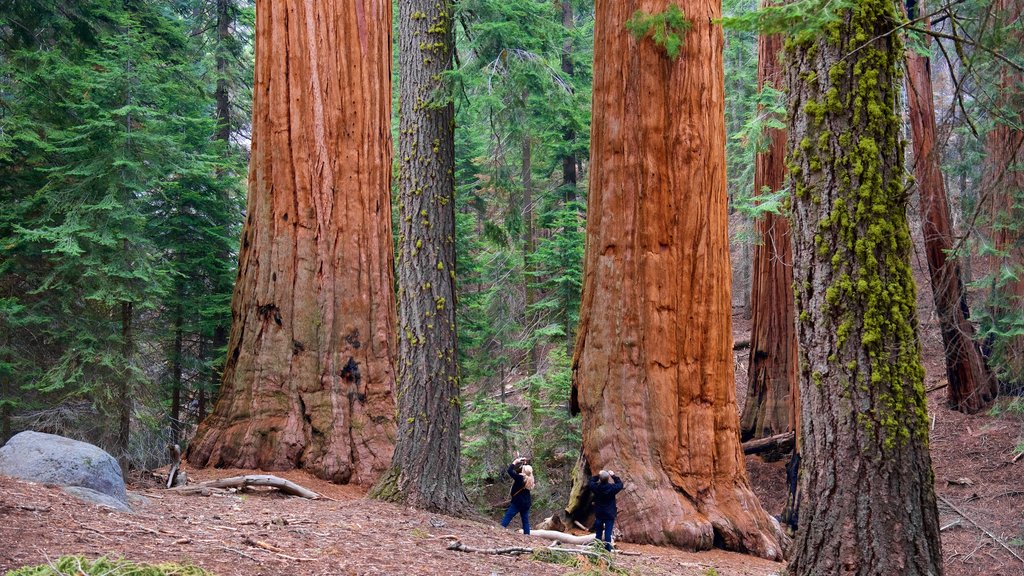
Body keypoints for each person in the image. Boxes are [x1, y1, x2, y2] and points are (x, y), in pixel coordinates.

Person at [588, 469, 623, 551]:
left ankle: (597, 548)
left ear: (600, 479)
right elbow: (620, 484)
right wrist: (613, 475)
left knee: (598, 533)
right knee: (608, 533)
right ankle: (607, 550)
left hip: (599, 513)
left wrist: (598, 475)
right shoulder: (612, 488)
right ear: (608, 479)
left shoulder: (596, 487)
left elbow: (590, 482)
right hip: (609, 514)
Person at [500, 456, 535, 534]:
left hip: (517, 502)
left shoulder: (520, 478)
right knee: (525, 521)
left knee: (508, 516)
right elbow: (528, 471)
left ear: (523, 470)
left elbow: (509, 470)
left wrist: (514, 462)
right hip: (526, 503)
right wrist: (525, 462)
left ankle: (500, 530)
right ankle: (527, 536)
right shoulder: (531, 479)